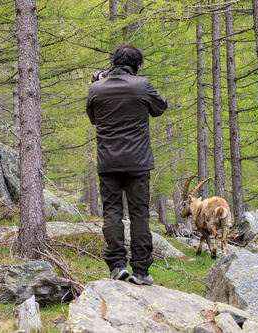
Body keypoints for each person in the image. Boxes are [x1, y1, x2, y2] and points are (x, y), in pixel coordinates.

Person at [86, 45, 168, 285]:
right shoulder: (143, 85)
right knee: (139, 213)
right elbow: (160, 107)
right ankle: (141, 271)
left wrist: (99, 79)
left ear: (112, 64)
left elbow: (93, 118)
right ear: (138, 67)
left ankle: (117, 266)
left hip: (108, 161)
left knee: (111, 211)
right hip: (138, 161)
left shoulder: (96, 88)